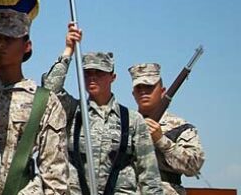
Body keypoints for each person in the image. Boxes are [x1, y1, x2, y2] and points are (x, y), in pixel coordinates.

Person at [41, 25, 164, 195]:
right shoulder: (73, 112)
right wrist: (68, 50)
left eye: (99, 73)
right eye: (87, 73)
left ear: (113, 77)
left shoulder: (132, 120)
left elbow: (149, 176)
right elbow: (49, 90)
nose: (92, 78)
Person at [0, 10, 68, 195]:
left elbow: (55, 178)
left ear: (27, 46)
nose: (1, 44)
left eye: (9, 39)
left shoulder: (44, 102)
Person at [129, 63, 205, 195]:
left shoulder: (180, 127)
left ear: (162, 91)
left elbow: (193, 167)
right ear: (133, 93)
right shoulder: (123, 124)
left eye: (149, 87)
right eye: (139, 87)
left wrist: (161, 140)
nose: (143, 91)